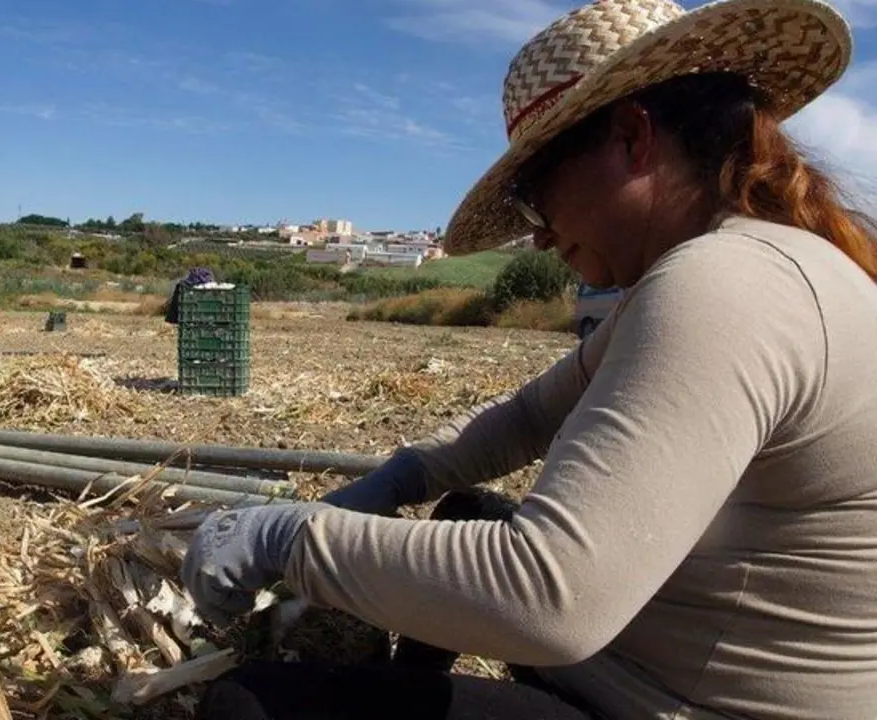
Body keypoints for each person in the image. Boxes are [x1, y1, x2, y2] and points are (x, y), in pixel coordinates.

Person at [180, 0, 877, 718]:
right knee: (467, 514)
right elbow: (530, 414)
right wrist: (398, 480)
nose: (541, 240)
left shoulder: (726, 286)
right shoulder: (747, 266)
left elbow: (550, 598)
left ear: (632, 138)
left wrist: (288, 537)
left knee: (245, 705)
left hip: (673, 703)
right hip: (642, 666)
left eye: (537, 201)